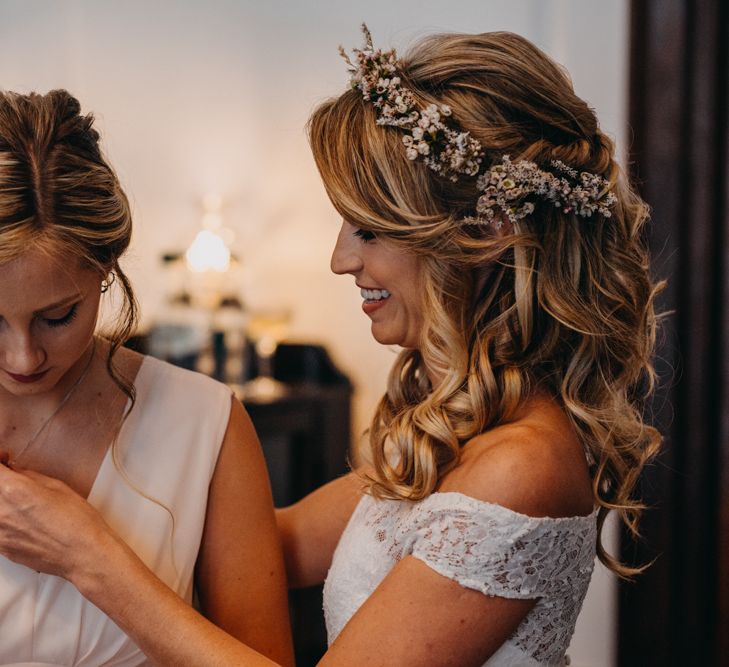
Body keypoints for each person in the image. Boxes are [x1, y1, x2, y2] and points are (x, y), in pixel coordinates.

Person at [0, 27, 662, 666]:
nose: (340, 258)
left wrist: (88, 554)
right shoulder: (463, 440)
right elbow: (259, 546)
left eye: (369, 230)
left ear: (486, 231)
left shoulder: (518, 468)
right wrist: (169, 449)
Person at [0, 90, 294, 667]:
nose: (24, 358)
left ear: (106, 270)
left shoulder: (205, 425)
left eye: (58, 316)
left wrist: (91, 556)